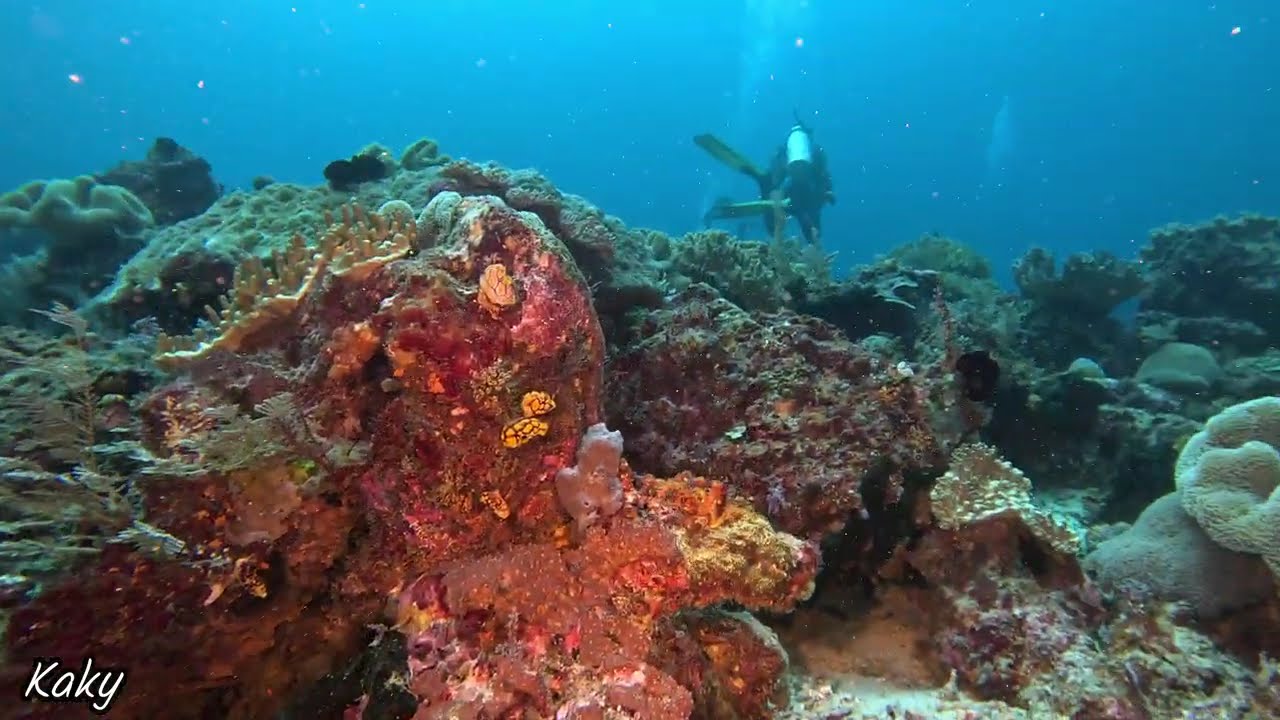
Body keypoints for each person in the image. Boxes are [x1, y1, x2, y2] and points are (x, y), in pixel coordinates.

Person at [695, 112, 835, 244]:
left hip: (788, 192)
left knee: (773, 219)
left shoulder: (785, 150)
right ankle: (764, 184)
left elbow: (777, 170)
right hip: (805, 198)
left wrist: (769, 185)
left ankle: (761, 180)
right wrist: (827, 193)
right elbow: (824, 178)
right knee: (811, 234)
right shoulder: (817, 153)